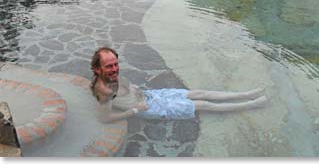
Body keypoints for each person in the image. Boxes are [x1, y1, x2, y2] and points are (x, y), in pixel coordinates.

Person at [90, 47, 267, 123]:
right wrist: (135, 110)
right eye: (109, 66)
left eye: (115, 64)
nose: (114, 69)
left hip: (150, 95)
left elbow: (123, 91)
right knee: (202, 105)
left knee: (198, 92)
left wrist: (133, 88)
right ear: (97, 69)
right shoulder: (103, 92)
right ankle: (251, 104)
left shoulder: (111, 77)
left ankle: (246, 94)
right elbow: (104, 119)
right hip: (149, 108)